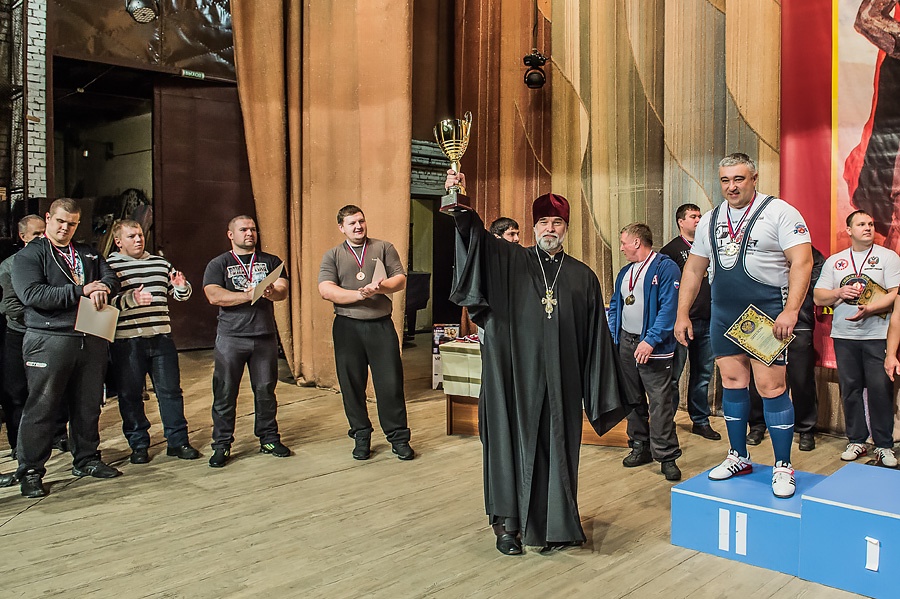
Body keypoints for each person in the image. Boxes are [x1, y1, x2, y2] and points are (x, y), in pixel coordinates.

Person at [444, 170, 627, 556]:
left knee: (558, 448)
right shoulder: (511, 261)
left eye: (557, 222)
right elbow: (477, 240)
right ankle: (507, 527)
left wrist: (601, 389)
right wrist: (460, 202)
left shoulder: (583, 277)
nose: (550, 228)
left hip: (563, 382)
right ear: (533, 226)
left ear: (566, 228)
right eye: (543, 221)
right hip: (514, 378)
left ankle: (556, 525)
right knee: (509, 445)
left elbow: (596, 338)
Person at [675, 153, 813, 499]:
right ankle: (738, 456)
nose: (731, 186)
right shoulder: (710, 219)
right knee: (733, 384)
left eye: (739, 179)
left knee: (771, 387)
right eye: (725, 180)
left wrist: (791, 311)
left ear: (754, 178)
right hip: (723, 313)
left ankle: (783, 465)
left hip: (765, 314)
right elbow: (694, 269)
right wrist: (682, 313)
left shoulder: (780, 212)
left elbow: (803, 261)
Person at [11, 198, 122, 498]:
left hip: (91, 335)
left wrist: (104, 287)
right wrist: (81, 290)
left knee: (88, 404)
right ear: (48, 218)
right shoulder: (30, 255)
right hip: (49, 338)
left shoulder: (87, 252)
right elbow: (32, 294)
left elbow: (111, 277)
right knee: (42, 406)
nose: (65, 228)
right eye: (60, 221)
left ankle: (86, 459)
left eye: (72, 224)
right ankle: (31, 470)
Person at [318, 205, 413, 462]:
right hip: (347, 327)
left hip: (381, 326)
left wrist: (379, 288)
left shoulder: (384, 247)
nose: (358, 226)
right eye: (352, 223)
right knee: (352, 385)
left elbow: (400, 279)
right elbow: (326, 290)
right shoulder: (333, 255)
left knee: (390, 384)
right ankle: (361, 436)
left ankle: (398, 438)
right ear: (342, 227)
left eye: (361, 221)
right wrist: (360, 294)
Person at [107, 220, 200, 464]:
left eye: (140, 235)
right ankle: (138, 445)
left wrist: (181, 287)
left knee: (170, 392)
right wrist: (131, 299)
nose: (138, 239)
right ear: (118, 241)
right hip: (127, 340)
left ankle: (178, 442)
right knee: (130, 395)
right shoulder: (110, 266)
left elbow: (181, 294)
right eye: (131, 236)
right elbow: (105, 303)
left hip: (161, 337)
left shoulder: (160, 263)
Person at [202, 215, 290, 468]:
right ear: (231, 234)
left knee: (265, 391)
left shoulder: (271, 261)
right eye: (243, 229)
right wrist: (249, 295)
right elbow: (214, 295)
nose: (249, 233)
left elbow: (282, 290)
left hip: (264, 336)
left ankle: (268, 439)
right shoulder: (219, 263)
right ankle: (222, 444)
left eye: (252, 229)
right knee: (225, 392)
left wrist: (271, 292)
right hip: (231, 338)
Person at [816, 211, 900, 467]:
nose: (868, 228)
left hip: (877, 335)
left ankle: (884, 445)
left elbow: (895, 294)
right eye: (861, 224)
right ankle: (856, 440)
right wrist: (839, 292)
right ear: (849, 230)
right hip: (844, 335)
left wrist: (871, 308)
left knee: (880, 390)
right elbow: (818, 297)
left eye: (871, 224)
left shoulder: (888, 257)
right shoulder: (836, 261)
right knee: (850, 389)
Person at [609, 223, 683, 481]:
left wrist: (650, 340)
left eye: (623, 242)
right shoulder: (625, 272)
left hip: (653, 346)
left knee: (660, 403)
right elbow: (616, 304)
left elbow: (669, 308)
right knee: (632, 399)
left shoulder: (665, 267)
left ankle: (667, 455)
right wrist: (613, 337)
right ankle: (640, 445)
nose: (621, 248)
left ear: (637, 242)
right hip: (627, 343)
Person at [747, 246, 825, 451]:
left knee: (801, 378)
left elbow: (815, 282)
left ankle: (806, 428)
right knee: (759, 377)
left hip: (799, 321)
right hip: (764, 321)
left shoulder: (807, 251)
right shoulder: (762, 246)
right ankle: (757, 425)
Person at [660, 204, 720, 441]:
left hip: (708, 320)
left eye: (700, 216)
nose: (698, 220)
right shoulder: (671, 251)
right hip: (682, 323)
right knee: (673, 376)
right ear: (680, 221)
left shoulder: (709, 247)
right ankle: (667, 422)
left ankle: (700, 421)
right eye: (693, 216)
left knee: (703, 375)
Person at [0, 215, 46, 487]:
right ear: (23, 236)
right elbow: (11, 307)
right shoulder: (9, 266)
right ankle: (18, 446)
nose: (41, 237)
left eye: (44, 232)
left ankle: (53, 438)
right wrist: (43, 315)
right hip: (20, 334)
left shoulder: (53, 260)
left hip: (46, 335)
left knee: (48, 391)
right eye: (36, 234)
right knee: (16, 393)